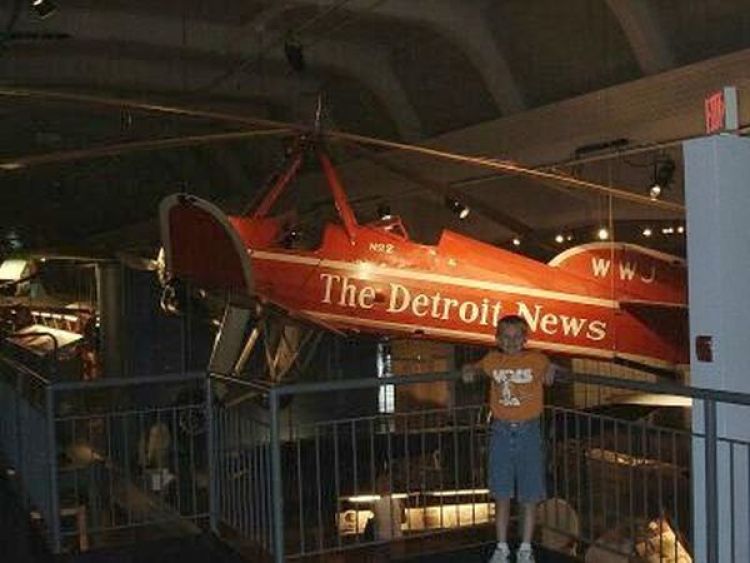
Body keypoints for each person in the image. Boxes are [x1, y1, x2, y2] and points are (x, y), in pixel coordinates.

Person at [462, 315, 555, 563]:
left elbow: (556, 370)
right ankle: (502, 547)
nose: (511, 342)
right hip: (501, 431)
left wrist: (553, 369)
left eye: (516, 337)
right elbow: (476, 368)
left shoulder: (537, 360)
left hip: (529, 432)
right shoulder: (493, 360)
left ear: (525, 339)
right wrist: (468, 370)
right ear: (497, 339)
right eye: (506, 337)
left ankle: (525, 548)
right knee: (501, 491)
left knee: (530, 493)